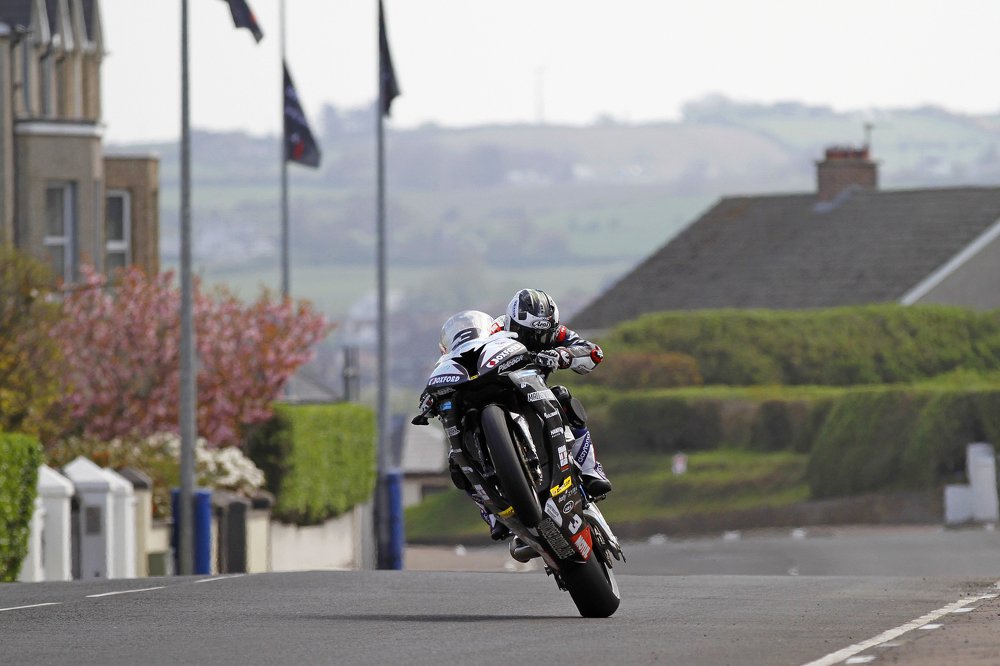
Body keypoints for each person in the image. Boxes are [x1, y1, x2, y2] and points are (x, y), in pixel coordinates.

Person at [420, 289, 612, 541]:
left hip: (533, 395)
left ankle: (590, 470)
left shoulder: (557, 333)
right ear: (512, 322)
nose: (536, 339)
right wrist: (431, 393)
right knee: (456, 459)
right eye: (528, 333)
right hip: (492, 391)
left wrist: (562, 355)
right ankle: (490, 512)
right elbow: (454, 358)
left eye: (543, 334)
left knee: (564, 397)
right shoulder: (491, 330)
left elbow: (592, 352)